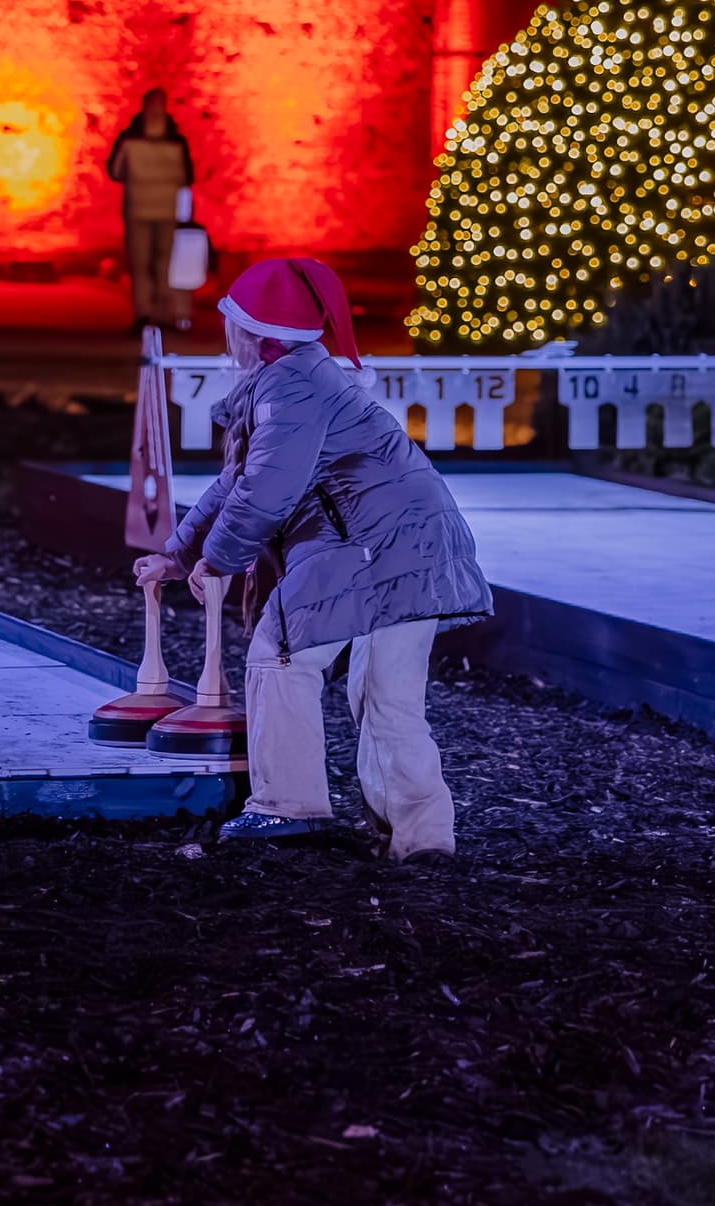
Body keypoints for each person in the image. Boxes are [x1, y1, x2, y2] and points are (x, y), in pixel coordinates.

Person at [150, 256, 493, 855]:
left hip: (363, 546)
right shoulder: (308, 376)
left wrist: (218, 559)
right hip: (419, 546)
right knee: (388, 697)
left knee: (280, 654)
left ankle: (286, 807)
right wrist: (179, 555)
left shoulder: (290, 385)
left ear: (252, 331)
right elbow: (238, 483)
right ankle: (421, 840)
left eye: (232, 321)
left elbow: (264, 489)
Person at [106, 89, 198, 328]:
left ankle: (145, 313)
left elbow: (115, 171)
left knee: (141, 263)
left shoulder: (129, 139)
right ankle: (161, 313)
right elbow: (187, 176)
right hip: (165, 208)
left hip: (139, 207)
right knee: (162, 262)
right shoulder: (177, 141)